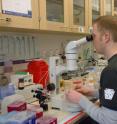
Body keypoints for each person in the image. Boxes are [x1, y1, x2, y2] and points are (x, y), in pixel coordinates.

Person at [66, 15, 117, 124]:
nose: (92, 40)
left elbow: (108, 120)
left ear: (106, 37)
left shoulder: (111, 71)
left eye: (93, 36)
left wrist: (79, 99)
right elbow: (114, 95)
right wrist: (91, 92)